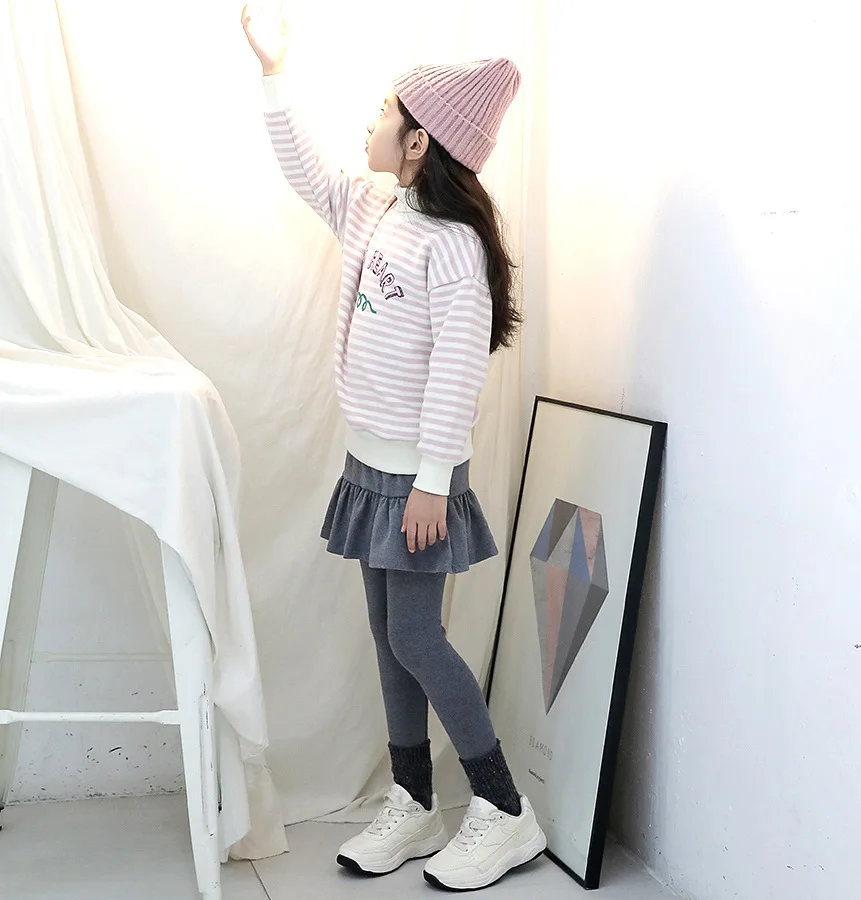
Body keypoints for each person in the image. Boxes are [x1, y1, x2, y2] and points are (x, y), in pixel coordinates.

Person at [242, 4, 546, 891]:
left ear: (419, 143)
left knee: (416, 635)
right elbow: (305, 167)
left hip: (419, 476)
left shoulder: (453, 247)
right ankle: (414, 799)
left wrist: (433, 482)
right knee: (387, 636)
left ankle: (505, 810)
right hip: (370, 466)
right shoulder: (376, 209)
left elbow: (457, 372)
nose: (371, 123)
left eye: (385, 113)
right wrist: (274, 72)